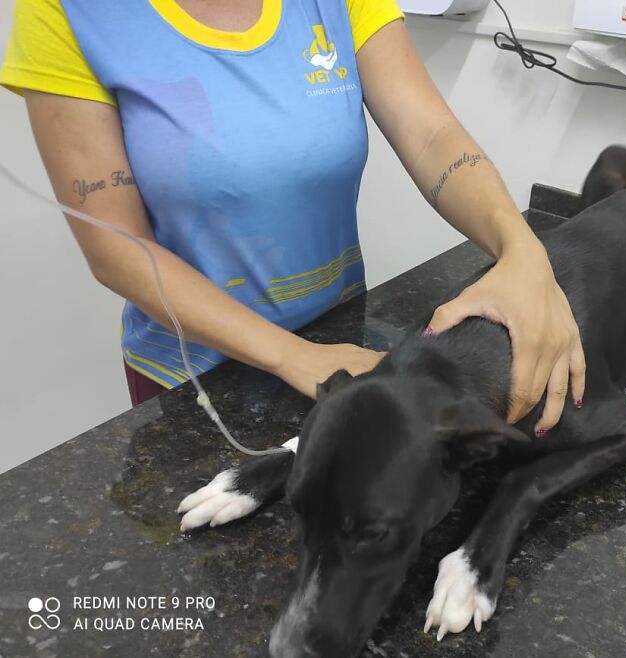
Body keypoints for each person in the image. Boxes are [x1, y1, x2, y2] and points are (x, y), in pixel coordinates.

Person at [0, 0, 585, 435]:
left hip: (341, 347)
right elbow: (118, 246)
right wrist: (293, 356)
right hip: (196, 377)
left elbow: (432, 136)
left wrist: (522, 252)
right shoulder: (65, 11)